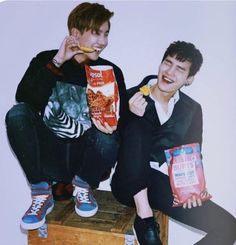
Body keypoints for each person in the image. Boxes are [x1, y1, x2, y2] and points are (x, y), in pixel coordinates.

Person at [5, 2, 127, 230]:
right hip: (51, 156)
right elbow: (24, 99)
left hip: (86, 160)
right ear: (75, 33)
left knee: (111, 135)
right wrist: (57, 61)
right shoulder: (47, 60)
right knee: (17, 114)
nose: (102, 41)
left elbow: (122, 120)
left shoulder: (110, 71)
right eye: (96, 33)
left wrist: (114, 125)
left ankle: (83, 188)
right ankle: (41, 193)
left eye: (106, 34)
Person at [111, 41, 236, 245]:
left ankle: (148, 217)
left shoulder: (192, 110)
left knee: (228, 226)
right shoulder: (130, 97)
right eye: (167, 63)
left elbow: (192, 153)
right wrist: (130, 116)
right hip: (128, 183)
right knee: (138, 125)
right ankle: (145, 220)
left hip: (162, 185)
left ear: (189, 79)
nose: (169, 72)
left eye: (180, 69)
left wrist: (191, 189)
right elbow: (113, 145)